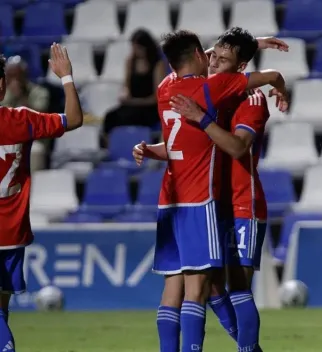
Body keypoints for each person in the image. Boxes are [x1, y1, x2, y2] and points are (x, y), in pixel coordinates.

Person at [142, 29, 287, 352]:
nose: (213, 60)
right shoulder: (208, 89)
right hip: (212, 201)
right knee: (207, 287)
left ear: (241, 65)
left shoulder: (250, 97)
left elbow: (237, 148)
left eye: (223, 58)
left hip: (241, 202)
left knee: (237, 286)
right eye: (212, 55)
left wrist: (203, 119)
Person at [0, 43, 83, 352]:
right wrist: (66, 78)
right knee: (1, 308)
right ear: (2, 84)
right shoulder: (22, 119)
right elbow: (73, 119)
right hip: (13, 233)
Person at [102, 29, 166, 143]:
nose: (136, 51)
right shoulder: (130, 62)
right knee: (110, 117)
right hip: (132, 105)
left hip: (149, 107)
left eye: (139, 48)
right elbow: (126, 86)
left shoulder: (157, 64)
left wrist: (134, 102)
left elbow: (156, 98)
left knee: (128, 117)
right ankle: (110, 145)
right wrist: (125, 95)